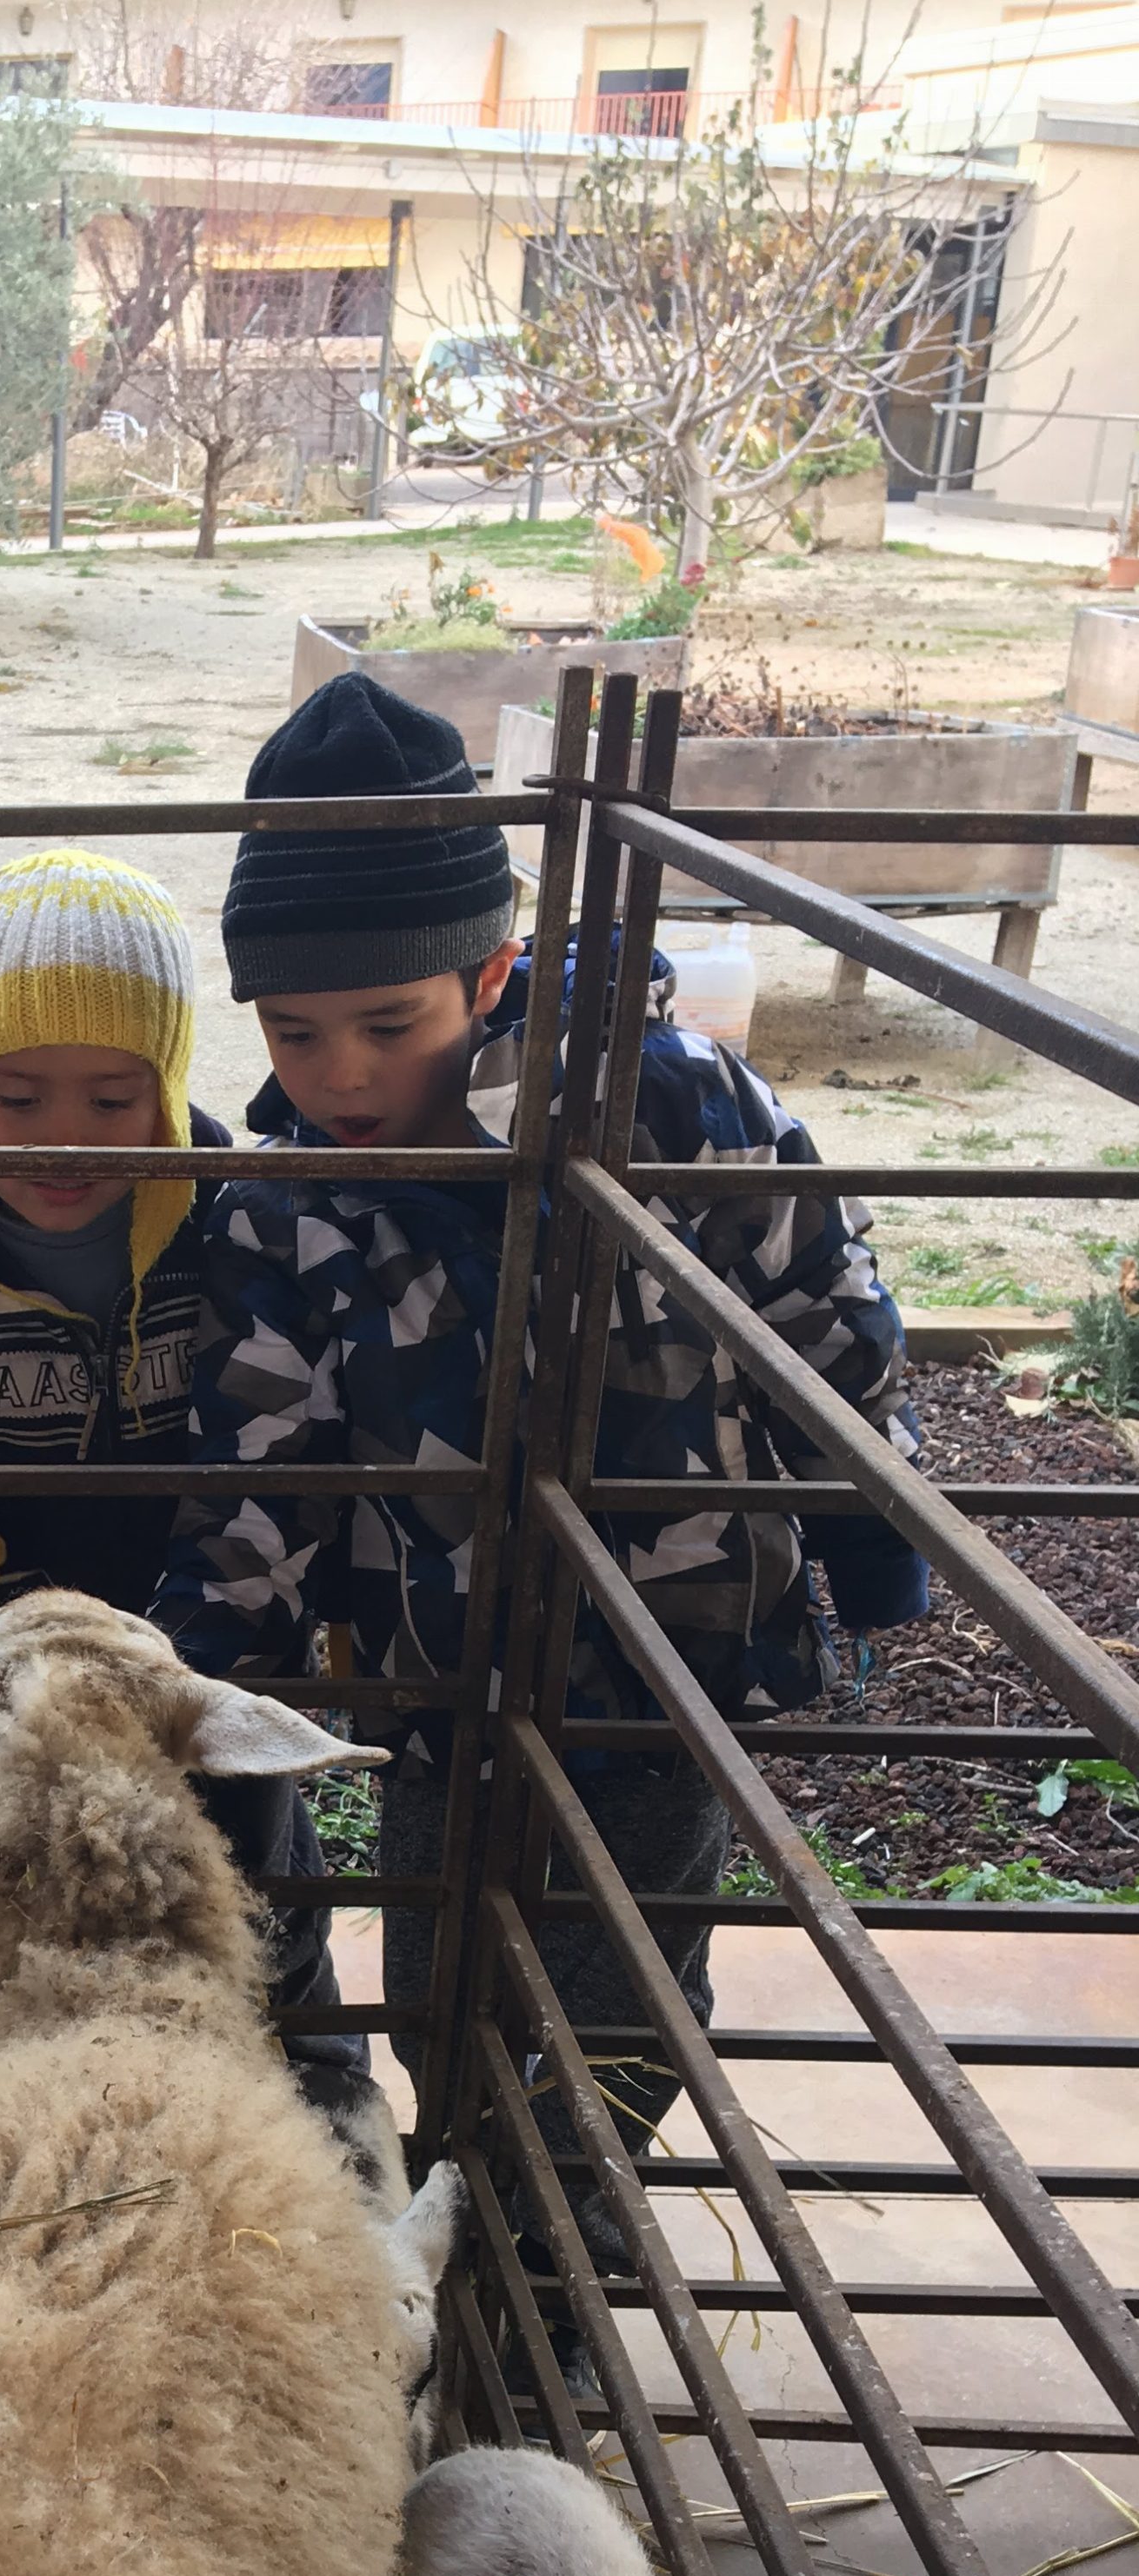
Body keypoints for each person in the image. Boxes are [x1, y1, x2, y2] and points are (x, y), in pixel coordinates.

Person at [165, 673, 924, 2229]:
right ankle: (480, 2232)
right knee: (440, 1983)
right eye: (294, 1033)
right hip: (440, 1689)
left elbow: (824, 1307)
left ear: (492, 968)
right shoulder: (285, 1209)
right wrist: (200, 1675)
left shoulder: (671, 1103)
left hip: (667, 1657)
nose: (342, 1073)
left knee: (623, 1997)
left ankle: (569, 2252)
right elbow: (263, 1469)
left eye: (389, 1024)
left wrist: (870, 1531)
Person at [0, 845, 391, 2183]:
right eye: (17, 1097)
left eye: (114, 1096)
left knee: (256, 1866)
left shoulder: (233, 1231)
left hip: (208, 1639)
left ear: (170, 1088)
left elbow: (300, 1412)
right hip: (29, 1677)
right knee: (39, 1889)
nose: (62, 1138)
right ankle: (58, 2123)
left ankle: (321, 2096)